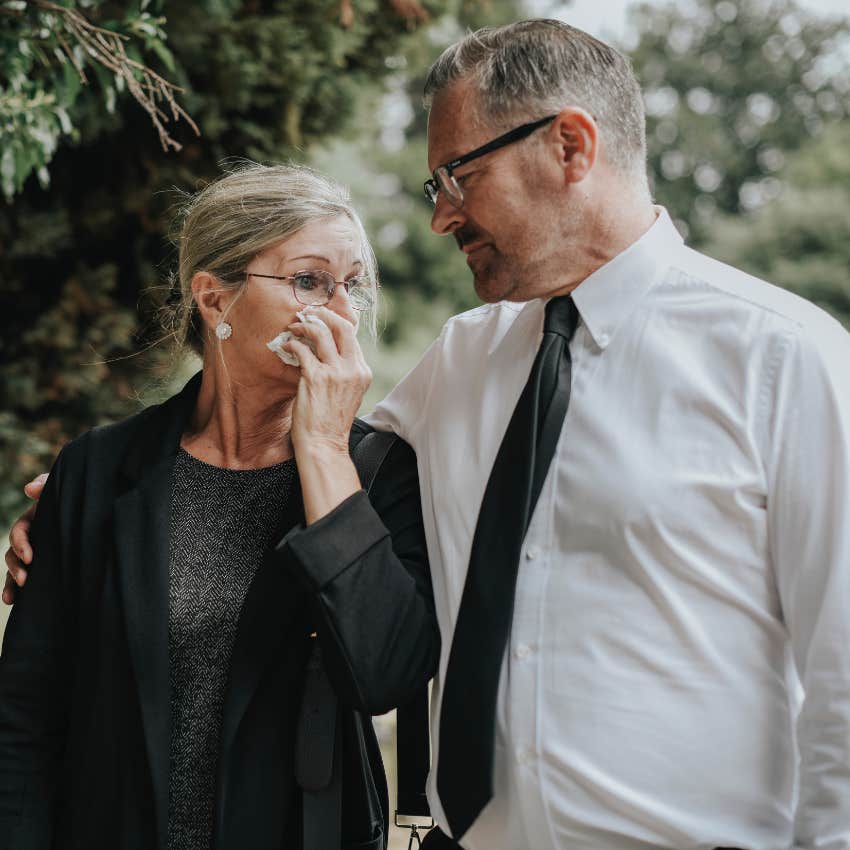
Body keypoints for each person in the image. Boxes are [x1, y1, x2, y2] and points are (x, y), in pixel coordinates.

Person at [7, 18, 850, 850]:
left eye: (458, 175)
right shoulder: (464, 358)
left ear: (569, 147)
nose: (443, 217)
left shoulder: (785, 358)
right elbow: (285, 445)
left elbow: (842, 668)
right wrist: (78, 516)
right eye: (433, 187)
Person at [0, 163, 439, 850]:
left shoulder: (378, 474)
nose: (344, 314)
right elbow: (24, 720)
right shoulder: (97, 470)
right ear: (214, 299)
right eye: (309, 281)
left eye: (351, 285)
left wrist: (323, 449)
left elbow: (386, 675)